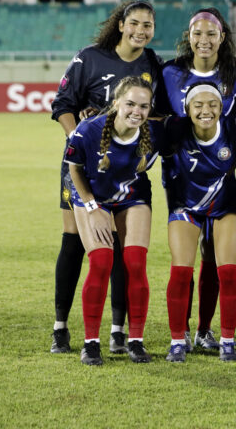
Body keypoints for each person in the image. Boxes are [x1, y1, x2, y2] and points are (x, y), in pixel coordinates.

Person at [49, 0, 160, 355]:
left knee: (124, 250)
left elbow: (155, 114)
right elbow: (62, 105)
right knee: (74, 243)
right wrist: (82, 139)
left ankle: (117, 330)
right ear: (121, 25)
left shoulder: (151, 63)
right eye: (135, 24)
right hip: (84, 165)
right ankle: (61, 327)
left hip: (128, 167)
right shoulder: (90, 57)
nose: (141, 31)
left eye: (148, 25)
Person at [157, 7, 236, 352]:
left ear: (222, 37)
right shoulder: (170, 73)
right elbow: (155, 118)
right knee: (186, 258)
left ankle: (207, 330)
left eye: (212, 33)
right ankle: (178, 334)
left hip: (221, 176)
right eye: (198, 33)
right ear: (189, 36)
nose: (204, 40)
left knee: (216, 259)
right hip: (181, 177)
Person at [64, 76, 161, 365]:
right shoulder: (89, 131)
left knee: (135, 262)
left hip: (133, 197)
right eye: (130, 103)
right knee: (102, 261)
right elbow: (74, 169)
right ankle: (91, 343)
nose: (137, 111)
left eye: (144, 106)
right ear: (116, 103)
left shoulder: (155, 134)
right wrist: (92, 207)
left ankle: (135, 341)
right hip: (92, 196)